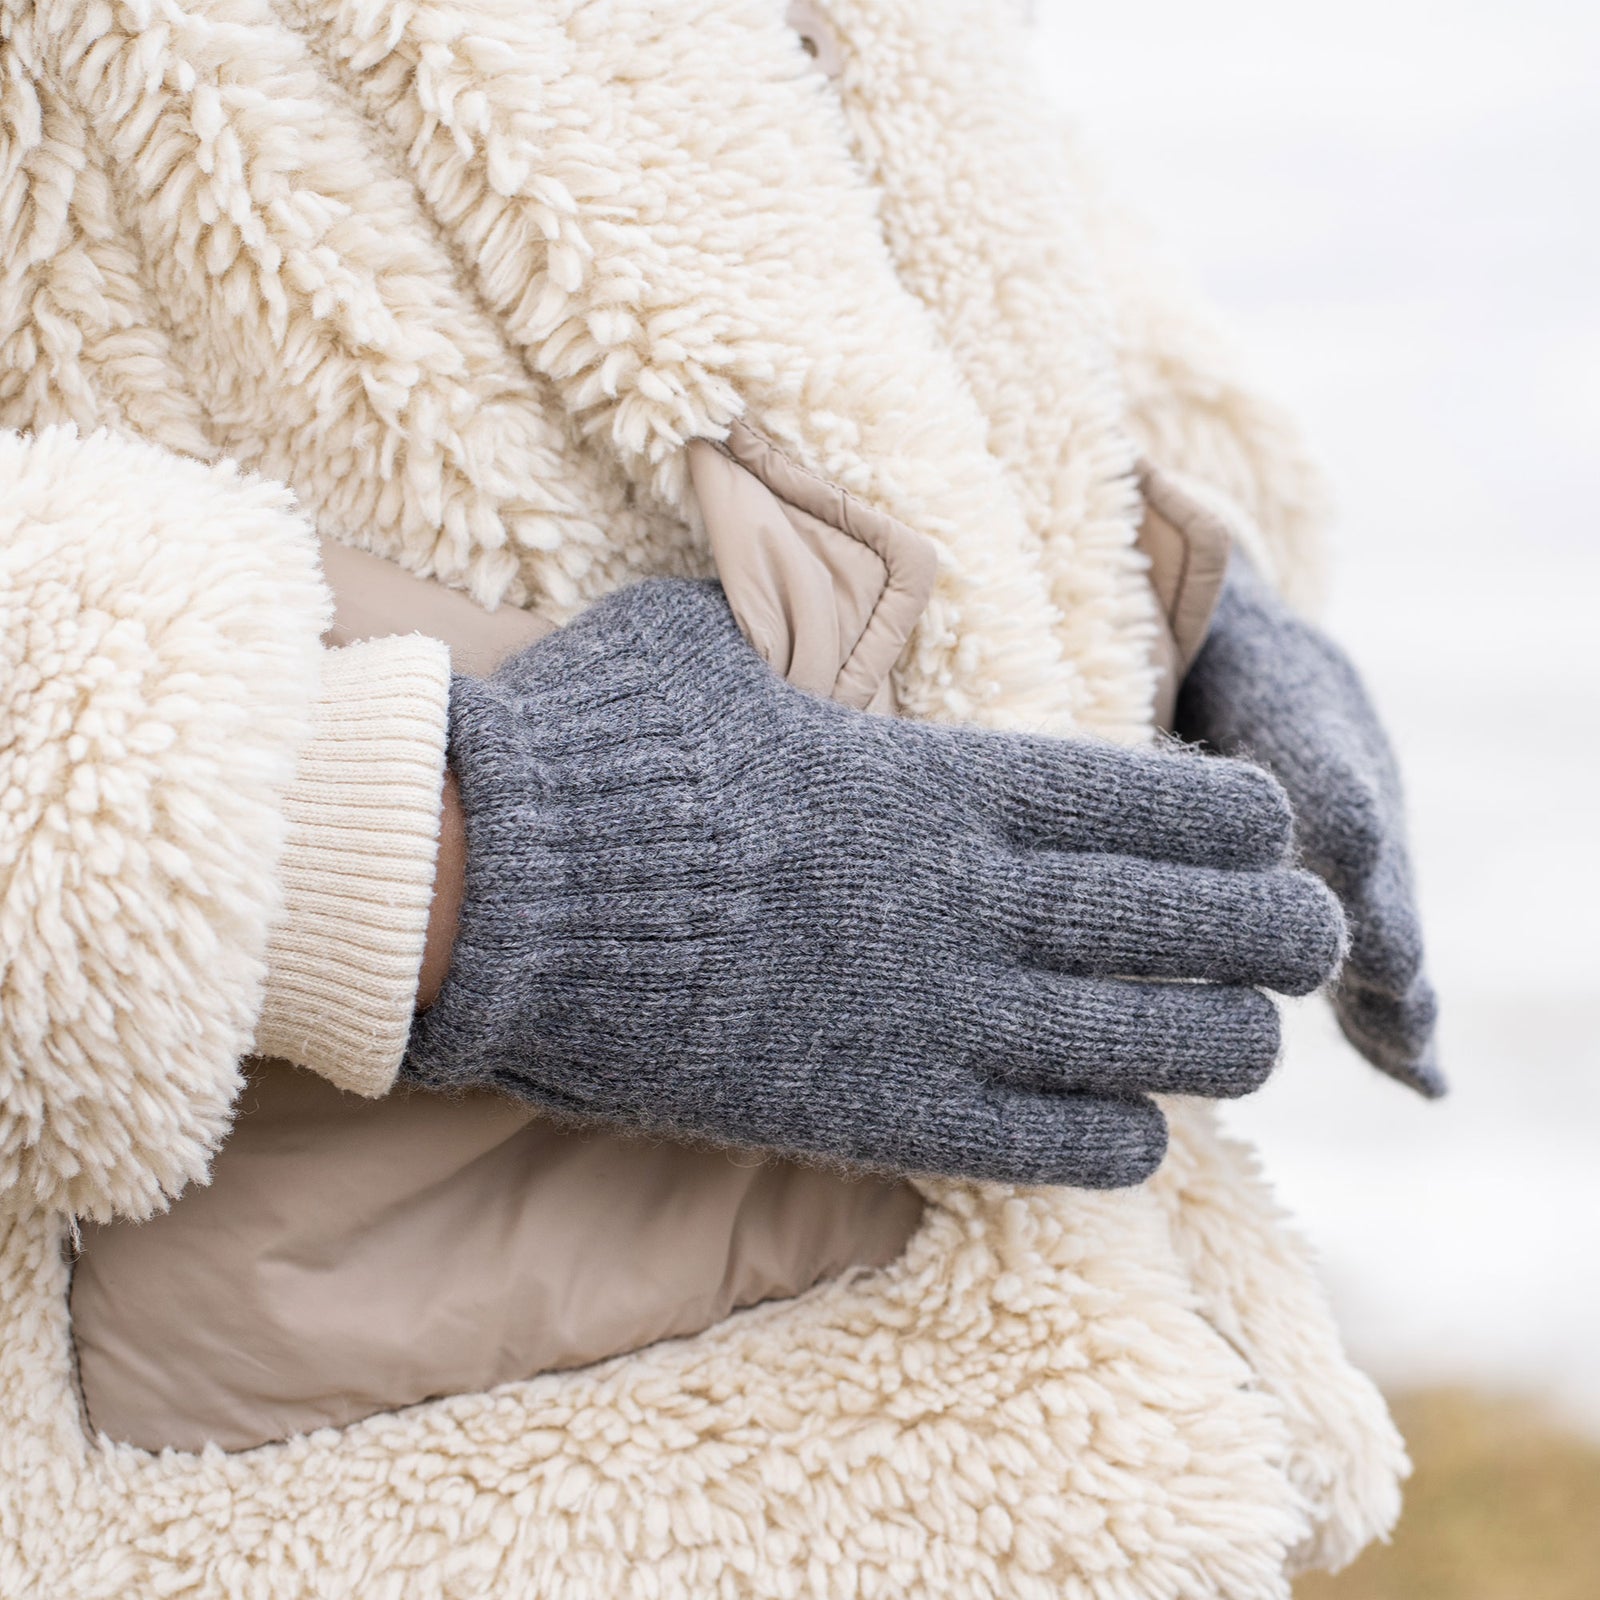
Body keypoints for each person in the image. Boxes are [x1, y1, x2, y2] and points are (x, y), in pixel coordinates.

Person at [0, 0, 1436, 1593]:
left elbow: (903, 161)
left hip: (1043, 1446)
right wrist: (468, 854)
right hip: (408, 1485)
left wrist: (1161, 560)